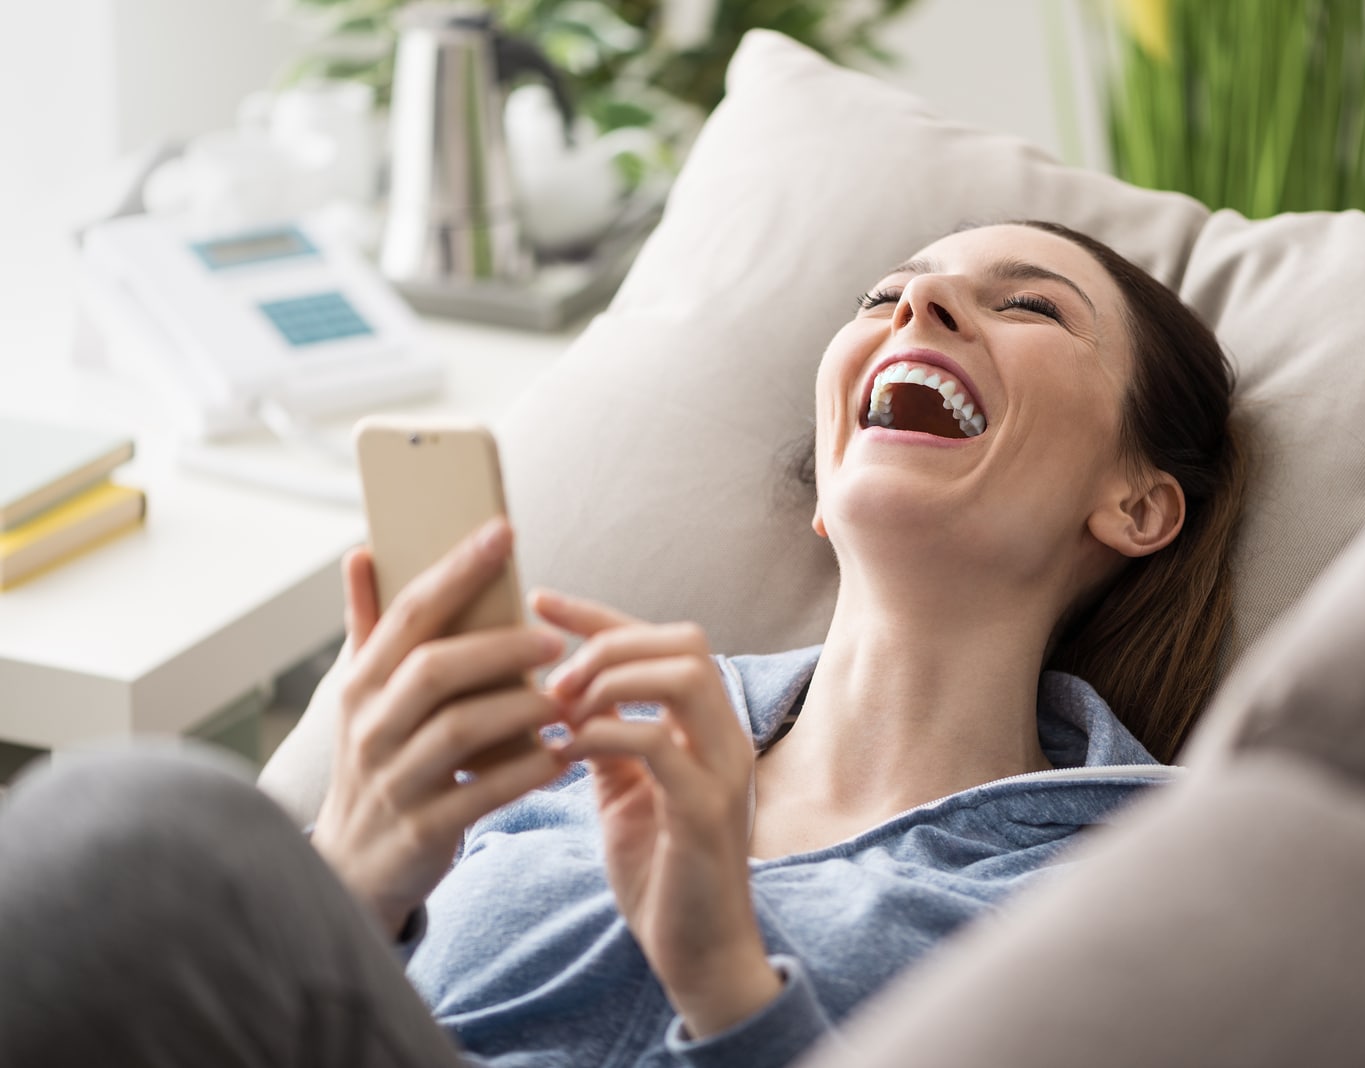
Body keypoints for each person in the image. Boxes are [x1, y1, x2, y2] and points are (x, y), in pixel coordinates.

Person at [0, 221, 1246, 1067]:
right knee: (130, 841)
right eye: (887, 295)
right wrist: (353, 874)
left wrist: (724, 975)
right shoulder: (581, 725)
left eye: (1027, 306)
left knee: (138, 828)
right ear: (825, 471)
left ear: (1137, 504)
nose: (920, 302)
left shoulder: (1139, 876)